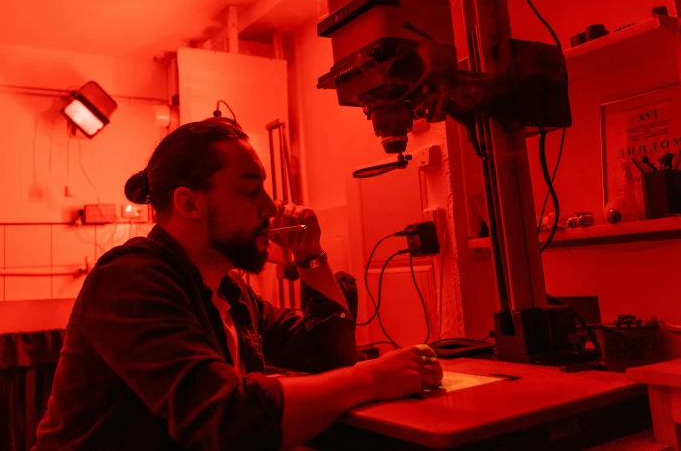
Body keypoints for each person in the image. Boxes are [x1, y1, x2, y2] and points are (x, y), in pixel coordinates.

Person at [33, 119, 443, 450]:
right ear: (189, 203)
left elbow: (329, 359)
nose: (269, 207)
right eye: (251, 190)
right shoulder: (129, 280)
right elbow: (223, 420)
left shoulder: (230, 293)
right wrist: (374, 378)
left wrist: (310, 256)